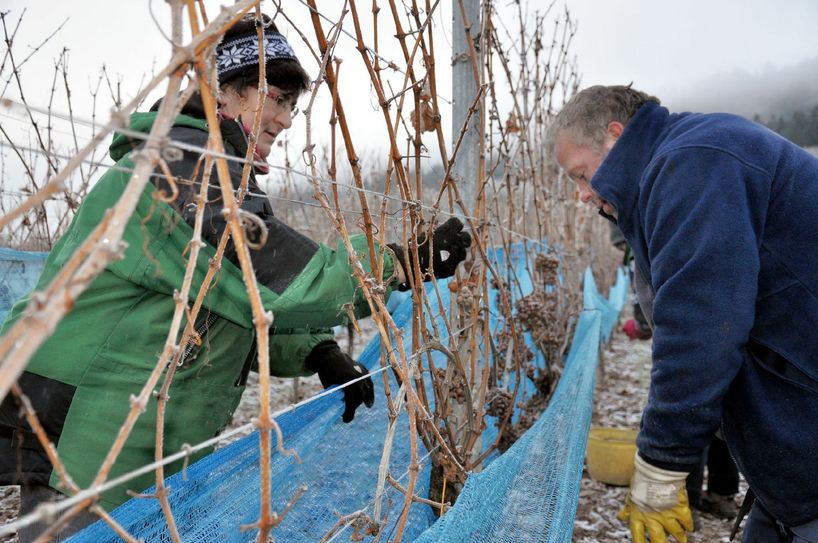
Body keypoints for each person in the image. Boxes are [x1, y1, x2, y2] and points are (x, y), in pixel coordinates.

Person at [0, 14, 471, 541]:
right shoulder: (179, 170)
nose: (285, 119)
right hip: (91, 444)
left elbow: (228, 300)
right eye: (276, 98)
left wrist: (317, 352)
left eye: (293, 105)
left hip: (140, 439)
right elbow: (275, 279)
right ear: (221, 91)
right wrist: (402, 262)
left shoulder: (212, 170)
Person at [550, 85, 818, 543]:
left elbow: (701, 327)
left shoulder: (694, 163)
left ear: (615, 136)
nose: (581, 195)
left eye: (581, 175)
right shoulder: (681, 163)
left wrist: (661, 463)